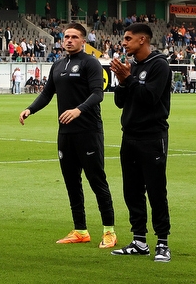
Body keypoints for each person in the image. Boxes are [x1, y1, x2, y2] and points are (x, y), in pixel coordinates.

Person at [19, 23, 117, 248]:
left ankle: (109, 231)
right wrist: (30, 109)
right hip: (65, 134)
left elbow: (98, 94)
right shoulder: (58, 65)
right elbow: (46, 94)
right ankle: (80, 230)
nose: (69, 40)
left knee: (97, 181)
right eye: (66, 36)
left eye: (74, 37)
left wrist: (78, 109)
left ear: (84, 41)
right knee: (72, 182)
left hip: (88, 131)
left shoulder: (90, 62)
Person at [110, 23, 173, 262]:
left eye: (128, 38)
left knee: (156, 191)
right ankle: (139, 240)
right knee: (132, 191)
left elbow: (150, 98)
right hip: (130, 137)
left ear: (142, 39)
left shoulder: (160, 65)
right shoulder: (132, 66)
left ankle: (163, 243)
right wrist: (122, 80)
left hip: (152, 137)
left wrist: (130, 79)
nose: (124, 42)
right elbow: (119, 102)